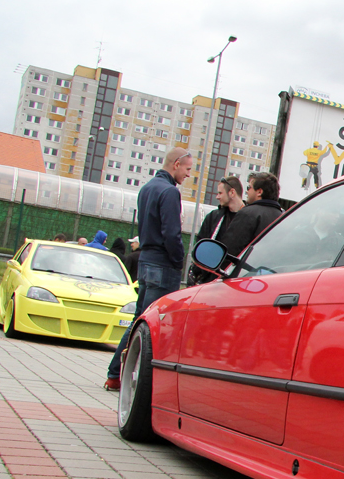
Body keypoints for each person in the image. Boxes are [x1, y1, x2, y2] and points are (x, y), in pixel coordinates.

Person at [104, 147, 193, 391]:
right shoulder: (170, 192)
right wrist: (178, 260)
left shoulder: (147, 188)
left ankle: (115, 374)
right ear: (176, 164)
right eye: (187, 169)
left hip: (146, 259)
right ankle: (125, 375)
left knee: (139, 320)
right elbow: (172, 233)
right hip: (163, 264)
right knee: (154, 323)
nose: (188, 175)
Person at [187, 176, 244, 285]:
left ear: (232, 193)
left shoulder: (249, 219)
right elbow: (201, 244)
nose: (217, 197)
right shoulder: (213, 217)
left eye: (220, 193)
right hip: (211, 278)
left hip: (237, 279)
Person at [221, 172, 283, 256]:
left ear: (259, 192)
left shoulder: (247, 213)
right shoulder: (283, 217)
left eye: (249, 187)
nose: (246, 191)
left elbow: (230, 249)